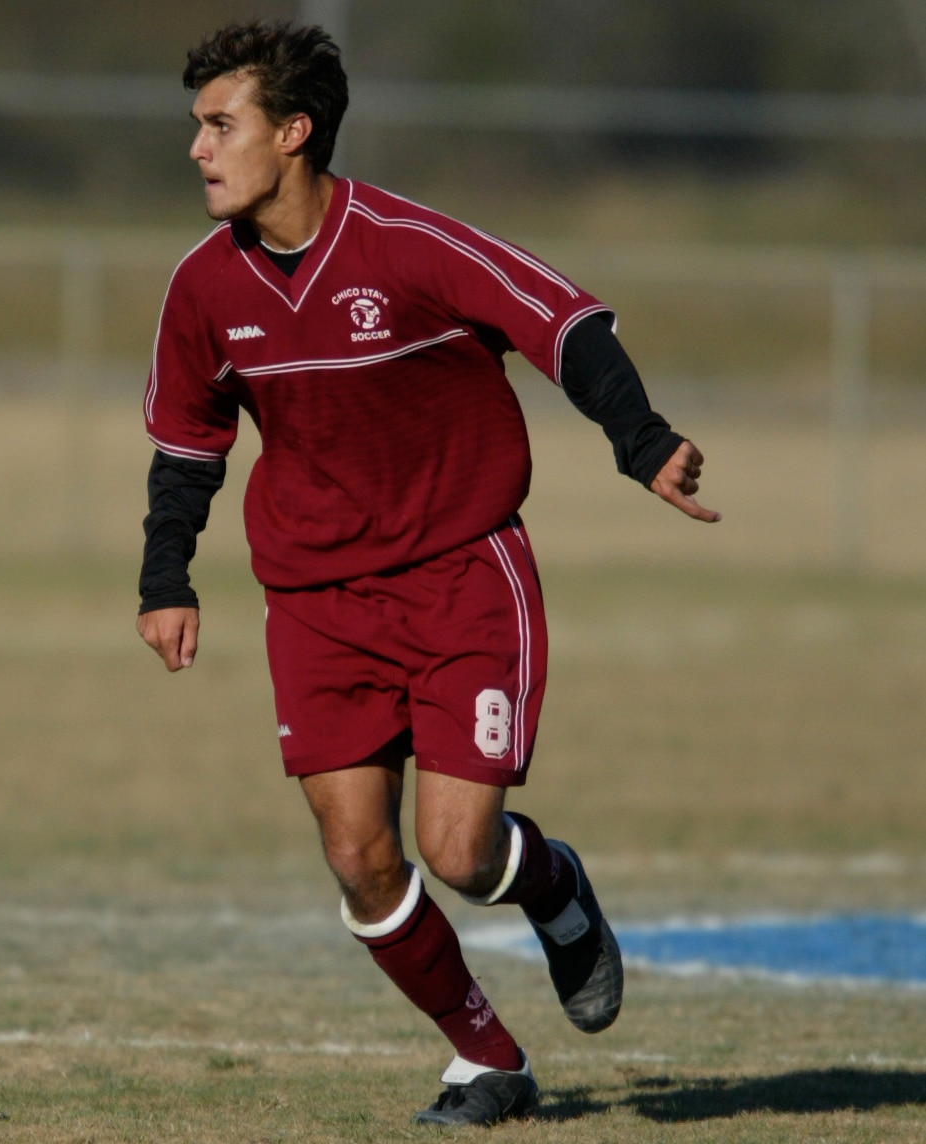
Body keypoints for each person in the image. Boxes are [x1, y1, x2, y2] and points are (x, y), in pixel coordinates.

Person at [136, 20, 719, 1129]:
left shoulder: (410, 245)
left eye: (223, 125)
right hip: (315, 600)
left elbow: (565, 322)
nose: (200, 149)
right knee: (360, 858)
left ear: (294, 131)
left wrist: (641, 441)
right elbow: (187, 445)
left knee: (460, 850)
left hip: (460, 574)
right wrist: (167, 576)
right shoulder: (204, 288)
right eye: (197, 127)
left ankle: (554, 886)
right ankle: (486, 1057)